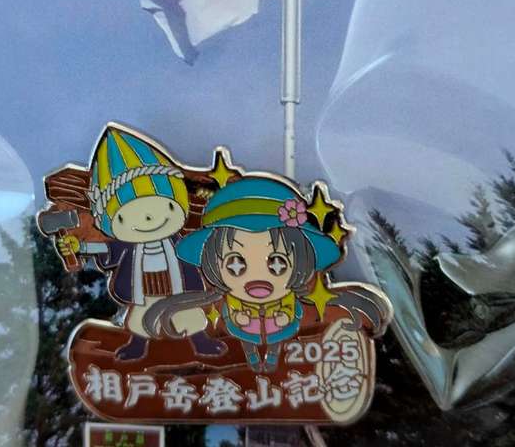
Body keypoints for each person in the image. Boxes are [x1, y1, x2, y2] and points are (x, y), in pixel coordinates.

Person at [143, 176, 389, 372]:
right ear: (213, 266)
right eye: (236, 264)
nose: (257, 276)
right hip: (242, 333)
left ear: (300, 263)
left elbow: (298, 313)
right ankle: (252, 357)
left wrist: (283, 317)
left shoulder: (299, 305)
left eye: (277, 263)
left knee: (275, 338)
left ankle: (271, 357)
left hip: (279, 331)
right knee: (248, 338)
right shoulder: (222, 308)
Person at [58, 125, 225, 360]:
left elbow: (199, 248)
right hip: (144, 290)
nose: (148, 219)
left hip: (177, 287)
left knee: (187, 313)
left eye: (168, 206)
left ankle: (201, 342)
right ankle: (137, 345)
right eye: (124, 218)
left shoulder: (180, 242)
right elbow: (106, 249)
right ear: (110, 222)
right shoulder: (127, 247)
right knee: (140, 317)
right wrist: (80, 247)